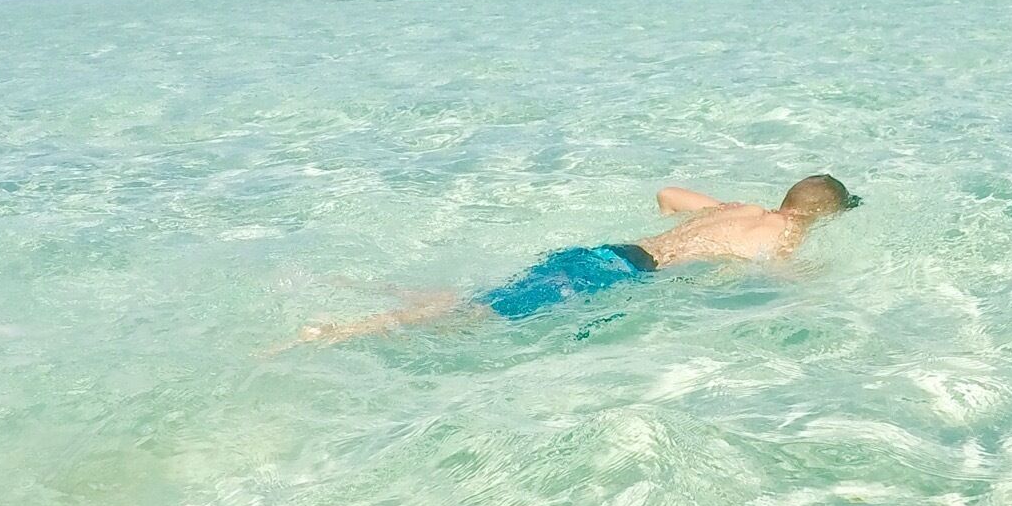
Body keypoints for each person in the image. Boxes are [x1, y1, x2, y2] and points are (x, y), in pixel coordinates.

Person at [292, 174, 860, 344]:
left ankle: (356, 288)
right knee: (473, 318)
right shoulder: (788, 233)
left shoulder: (739, 204)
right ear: (821, 215)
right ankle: (335, 332)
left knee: (479, 301)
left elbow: (667, 195)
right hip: (622, 275)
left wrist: (698, 231)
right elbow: (779, 275)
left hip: (607, 253)